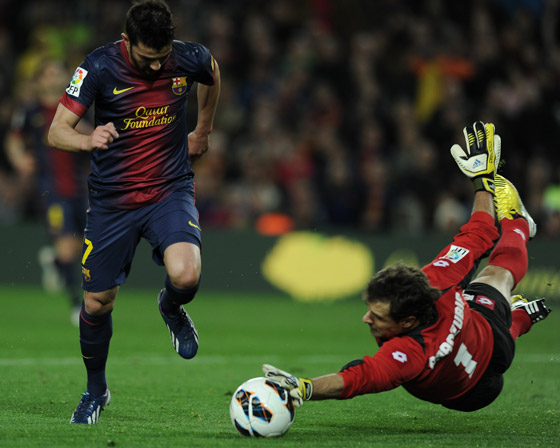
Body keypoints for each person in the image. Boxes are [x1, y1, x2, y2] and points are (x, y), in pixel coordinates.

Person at [263, 121, 551, 412]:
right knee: (494, 280)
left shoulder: (412, 341)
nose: (366, 319)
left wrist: (306, 387)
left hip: (481, 364)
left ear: (407, 322)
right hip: (478, 364)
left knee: (493, 276)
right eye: (371, 310)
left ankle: (519, 229)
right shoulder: (432, 293)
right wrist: (483, 180)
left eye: (378, 316)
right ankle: (517, 303)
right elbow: (479, 233)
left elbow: (357, 378)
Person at [47, 0, 221, 424]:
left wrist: (203, 129)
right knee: (97, 303)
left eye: (163, 57)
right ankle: (96, 391)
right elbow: (56, 131)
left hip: (168, 190)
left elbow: (212, 73)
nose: (158, 66)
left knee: (186, 275)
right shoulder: (98, 66)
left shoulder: (188, 57)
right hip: (113, 201)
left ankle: (171, 307)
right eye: (148, 59)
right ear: (127, 41)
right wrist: (87, 140)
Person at [6, 59, 90, 325]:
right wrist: (19, 158)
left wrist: (85, 133)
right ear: (40, 80)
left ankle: (54, 263)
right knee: (66, 246)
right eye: (49, 74)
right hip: (49, 190)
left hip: (80, 188)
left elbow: (93, 134)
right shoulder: (30, 111)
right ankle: (76, 305)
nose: (54, 78)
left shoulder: (77, 107)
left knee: (77, 245)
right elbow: (13, 139)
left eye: (58, 73)